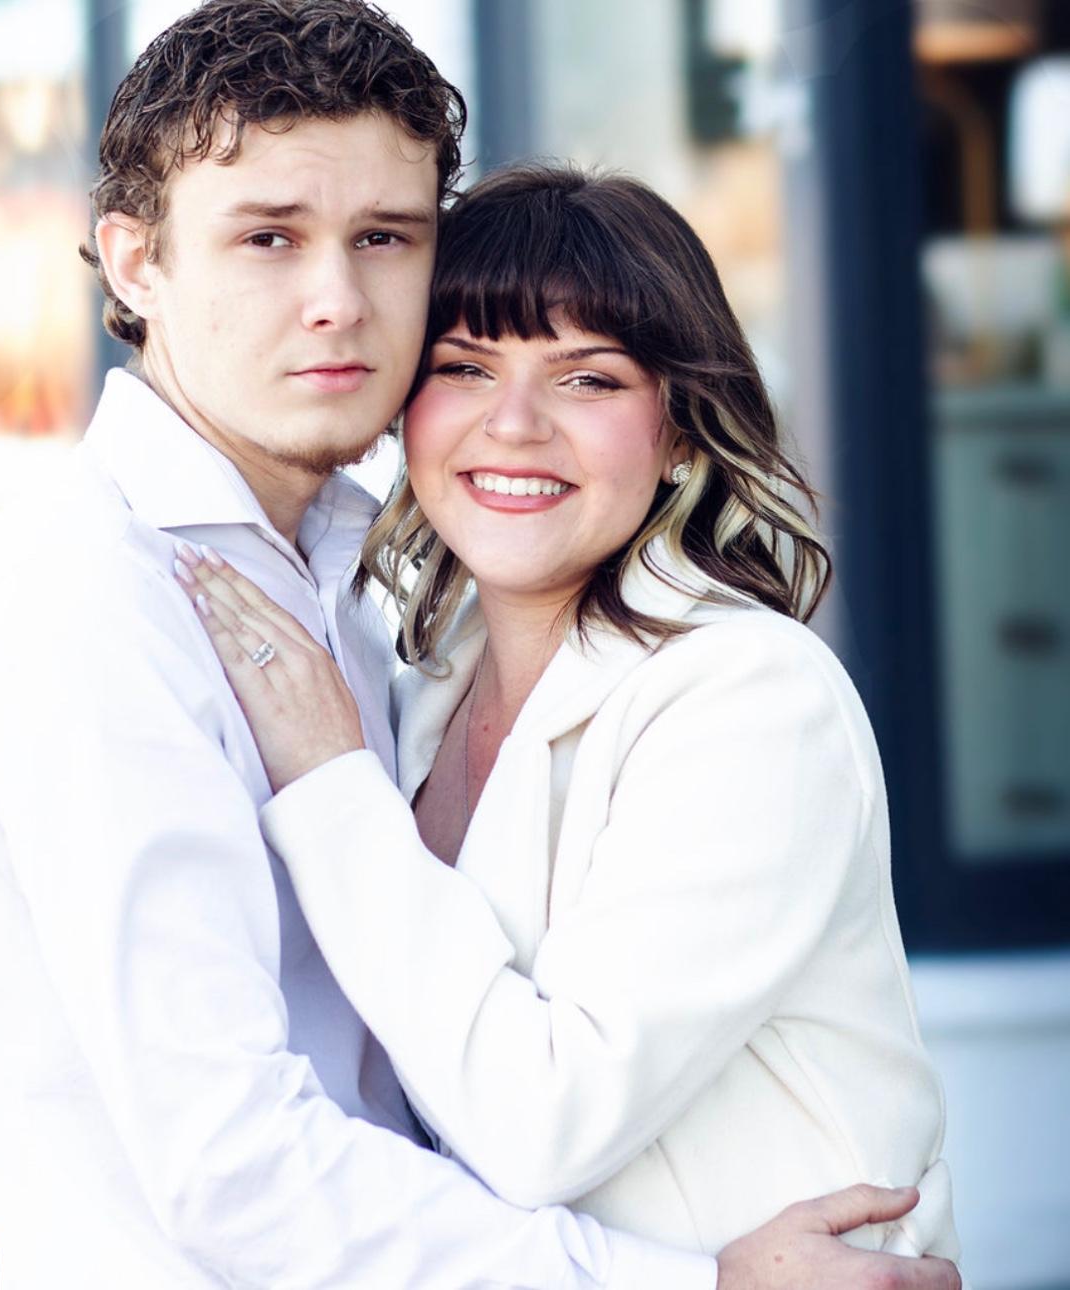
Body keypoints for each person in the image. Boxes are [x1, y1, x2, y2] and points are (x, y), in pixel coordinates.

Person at [0, 2, 961, 1287]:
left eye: (384, 238)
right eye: (269, 238)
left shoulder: (372, 611)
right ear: (135, 264)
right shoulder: (84, 598)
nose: (337, 303)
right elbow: (233, 1166)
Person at [173, 163, 964, 1268]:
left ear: (680, 431)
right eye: (464, 367)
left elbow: (541, 1125)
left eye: (588, 380)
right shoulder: (424, 685)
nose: (513, 425)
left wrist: (327, 781)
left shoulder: (749, 699)